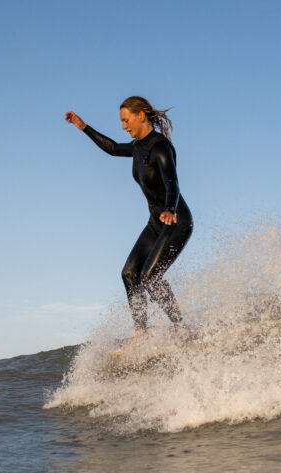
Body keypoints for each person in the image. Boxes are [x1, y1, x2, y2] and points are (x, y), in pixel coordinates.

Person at [65, 96, 193, 341]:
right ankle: (141, 335)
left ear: (140, 116)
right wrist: (83, 127)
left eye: (126, 120)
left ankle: (182, 329)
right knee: (129, 274)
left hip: (175, 221)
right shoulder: (138, 147)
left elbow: (172, 184)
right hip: (156, 223)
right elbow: (113, 148)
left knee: (150, 278)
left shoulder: (161, 147)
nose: (124, 126)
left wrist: (170, 209)